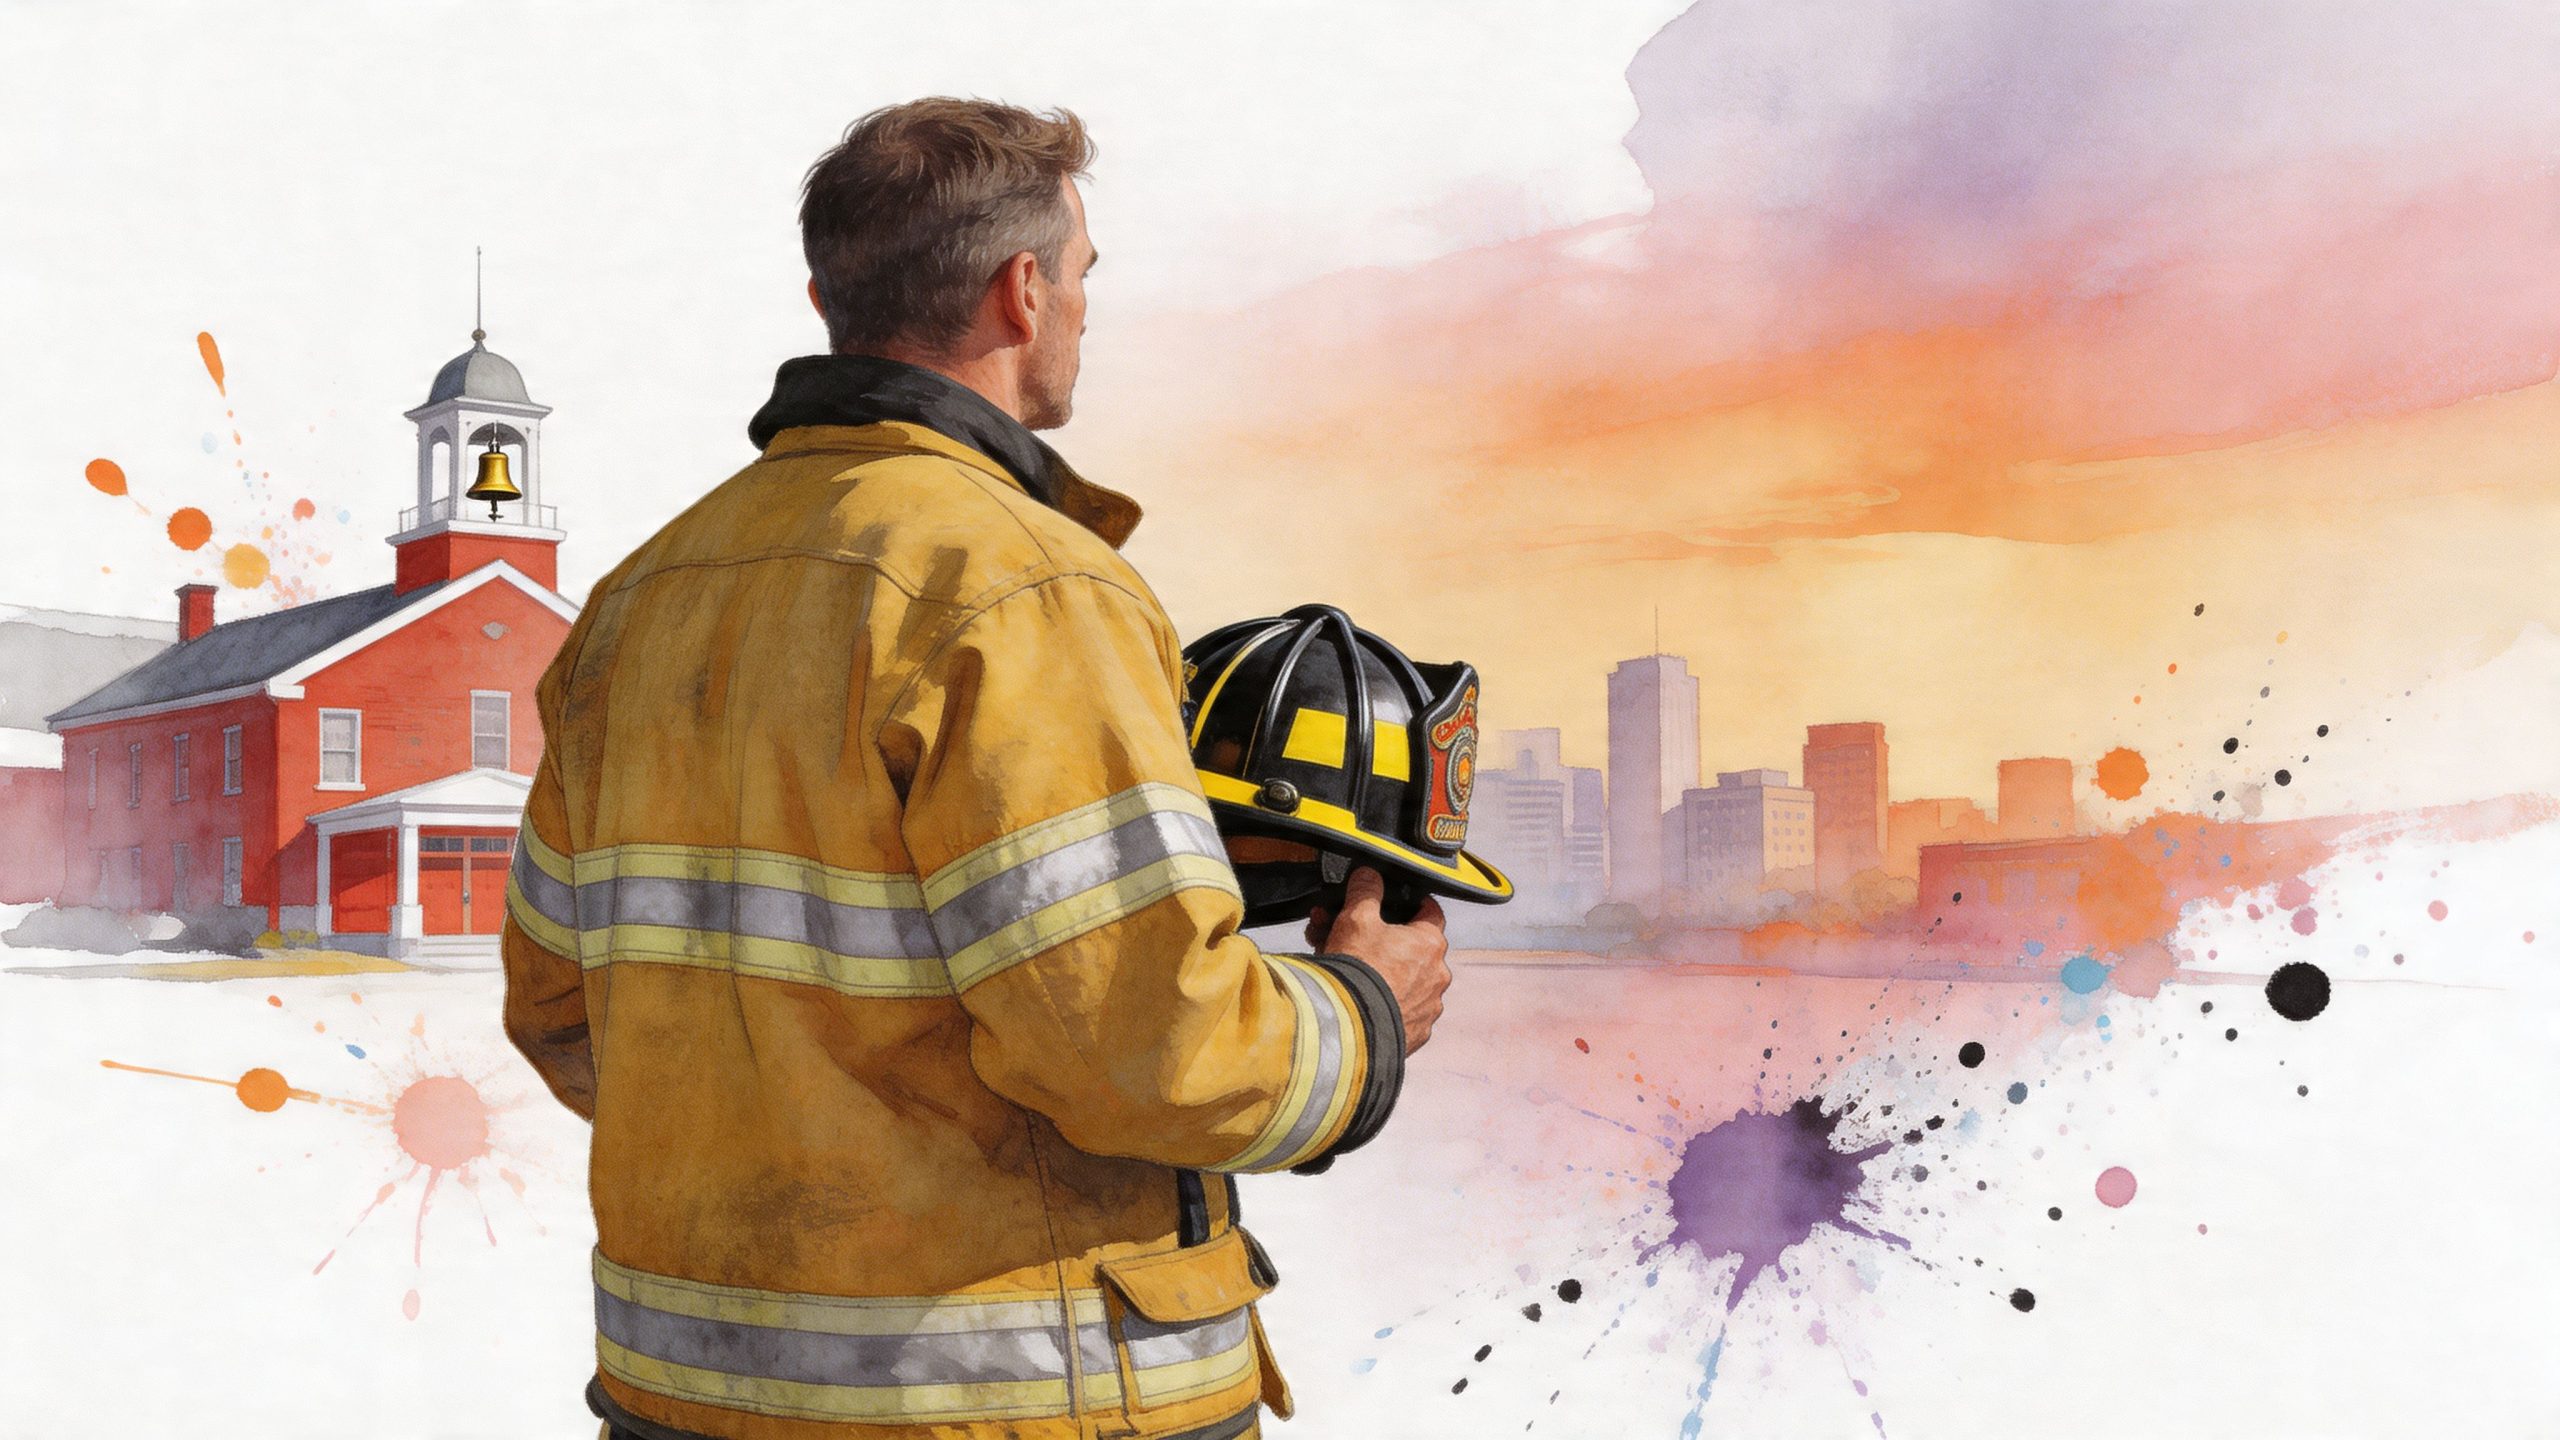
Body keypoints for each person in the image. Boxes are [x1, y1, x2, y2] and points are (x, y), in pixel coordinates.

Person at [499, 97, 1452, 1440]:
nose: (1080, 312)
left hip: (675, 1398)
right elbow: (1149, 1057)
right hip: (1011, 1410)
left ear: (829, 294)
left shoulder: (635, 604)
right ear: (1022, 290)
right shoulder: (1024, 587)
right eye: (1081, 278)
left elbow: (560, 1007)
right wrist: (1364, 1015)